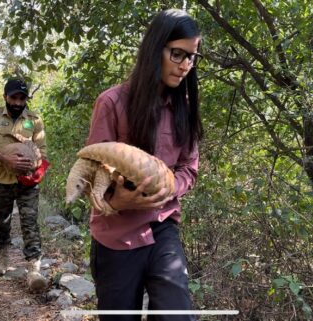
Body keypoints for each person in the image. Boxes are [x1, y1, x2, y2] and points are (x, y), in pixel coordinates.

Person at [85, 9, 203, 321]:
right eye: (177, 54)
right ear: (155, 48)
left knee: (177, 316)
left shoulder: (184, 110)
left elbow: (189, 167)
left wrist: (169, 186)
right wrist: (115, 200)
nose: (185, 66)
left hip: (162, 227)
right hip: (116, 235)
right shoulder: (112, 103)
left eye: (191, 57)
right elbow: (93, 173)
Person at [0, 78, 49, 292]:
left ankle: (34, 267)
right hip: (0, 177)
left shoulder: (34, 119)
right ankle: (3, 257)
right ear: (5, 97)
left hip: (27, 181)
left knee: (30, 221)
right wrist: (5, 159)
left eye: (22, 98)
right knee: (2, 220)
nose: (18, 102)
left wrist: (35, 164)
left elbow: (42, 150)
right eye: (13, 97)